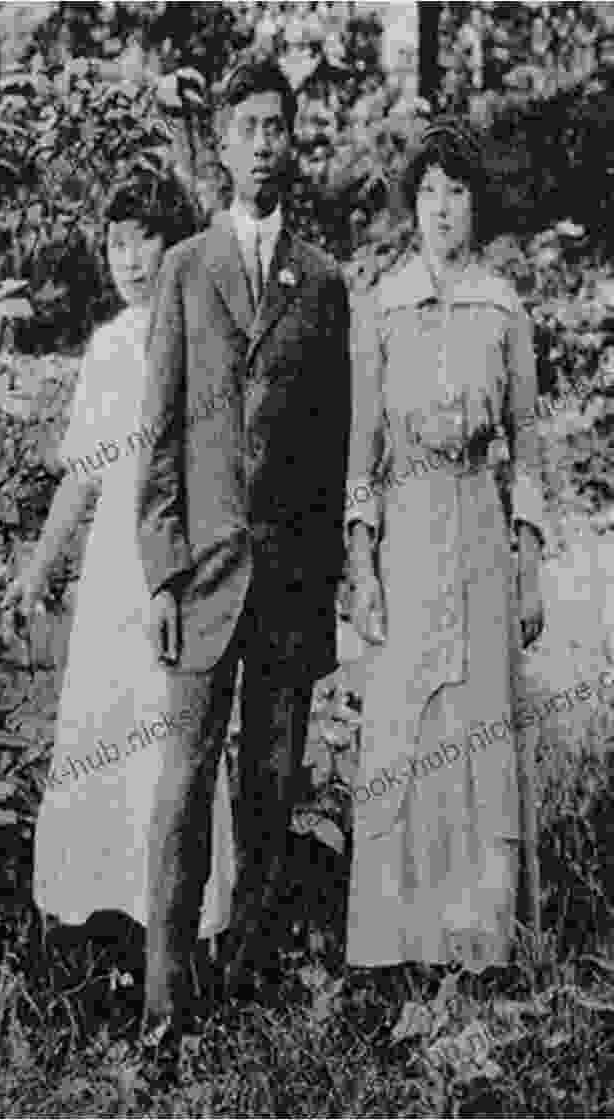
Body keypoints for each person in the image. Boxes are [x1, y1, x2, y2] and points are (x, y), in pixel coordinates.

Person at [135, 55, 351, 1058]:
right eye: (248, 128)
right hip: (205, 582)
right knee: (183, 794)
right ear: (220, 145)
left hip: (289, 588)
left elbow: (330, 445)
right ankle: (166, 1012)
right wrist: (165, 572)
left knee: (268, 791)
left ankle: (249, 990)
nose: (266, 145)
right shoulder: (184, 268)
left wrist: (324, 591)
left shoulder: (325, 282)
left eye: (279, 126)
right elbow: (162, 434)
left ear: (292, 140)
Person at [2, 166, 236, 990]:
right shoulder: (106, 346)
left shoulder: (206, 334)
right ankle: (102, 942)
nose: (132, 260)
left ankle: (183, 943)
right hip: (111, 569)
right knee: (106, 736)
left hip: (179, 561)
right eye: (117, 244)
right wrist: (37, 571)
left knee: (173, 745)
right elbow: (83, 477)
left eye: (147, 242)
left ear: (177, 247)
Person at [345, 118, 545, 973]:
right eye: (427, 192)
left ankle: (483, 941)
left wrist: (530, 567)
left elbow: (530, 451)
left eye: (456, 191)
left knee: (480, 719)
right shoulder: (381, 309)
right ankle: (404, 944)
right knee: (407, 728)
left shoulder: (504, 309)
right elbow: (359, 451)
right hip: (407, 535)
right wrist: (360, 561)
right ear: (410, 204)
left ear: (476, 203)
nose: (440, 208)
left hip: (481, 537)